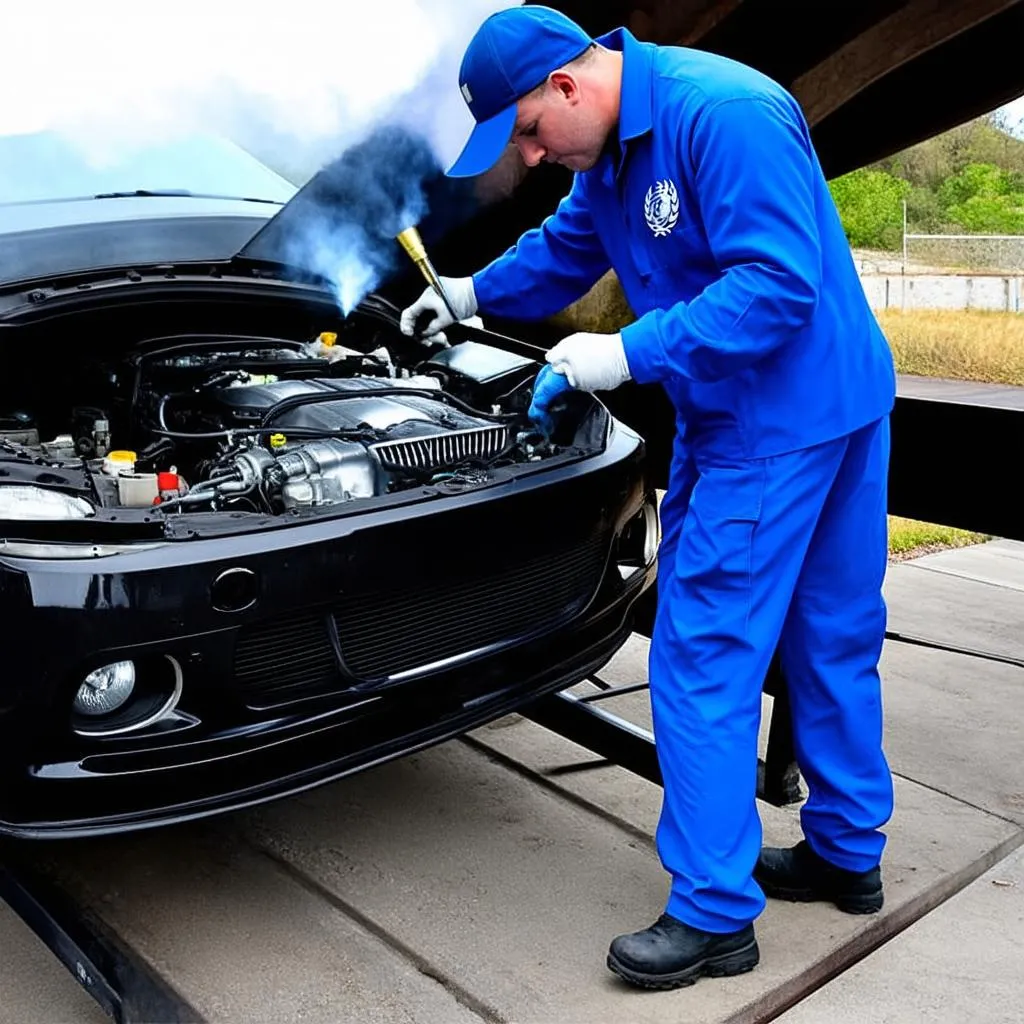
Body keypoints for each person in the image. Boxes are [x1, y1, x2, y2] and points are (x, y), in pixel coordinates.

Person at [400, 5, 896, 991]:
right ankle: (847, 849)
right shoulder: (615, 150)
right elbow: (566, 247)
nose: (533, 157)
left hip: (772, 423)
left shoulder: (723, 113)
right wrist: (467, 292)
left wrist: (628, 351)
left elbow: (776, 284)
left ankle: (714, 913)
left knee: (701, 654)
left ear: (570, 86)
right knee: (826, 633)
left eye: (531, 131)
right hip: (829, 399)